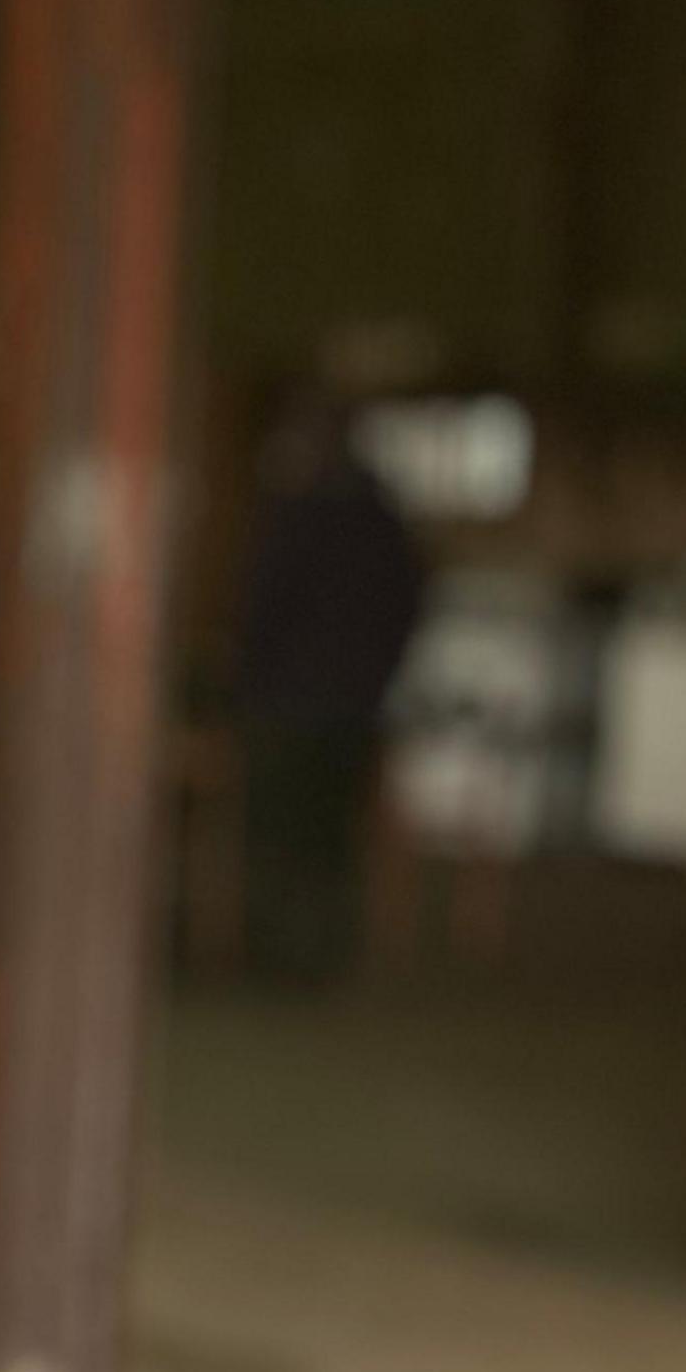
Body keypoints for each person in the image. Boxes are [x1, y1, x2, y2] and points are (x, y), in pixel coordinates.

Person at [232, 398, 426, 981]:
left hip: (291, 702)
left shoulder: (303, 513)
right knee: (325, 836)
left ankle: (280, 959)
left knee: (286, 834)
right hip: (346, 701)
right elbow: (408, 605)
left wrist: (250, 679)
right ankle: (314, 958)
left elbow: (262, 606)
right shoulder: (380, 518)